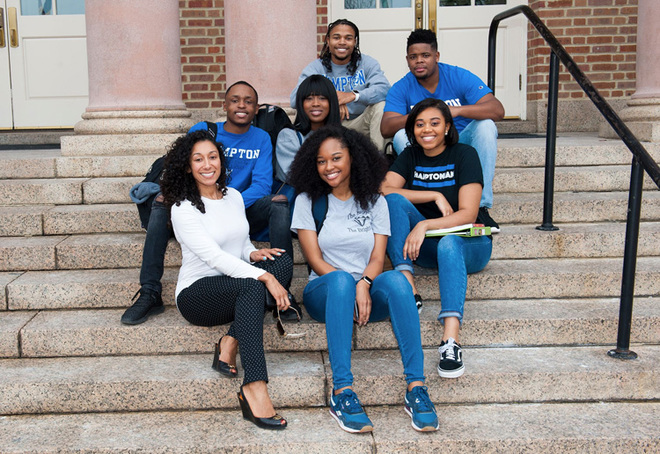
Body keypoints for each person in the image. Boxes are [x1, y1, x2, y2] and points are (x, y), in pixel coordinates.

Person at [289, 125, 438, 434]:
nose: (328, 167)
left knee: (398, 280)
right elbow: (315, 260)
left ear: (353, 159)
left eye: (336, 158)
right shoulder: (308, 201)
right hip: (325, 290)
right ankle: (342, 392)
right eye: (320, 161)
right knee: (342, 281)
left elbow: (377, 258)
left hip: (365, 289)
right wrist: (351, 283)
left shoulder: (374, 201)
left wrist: (365, 283)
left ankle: (416, 389)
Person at [121, 80, 293, 325]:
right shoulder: (206, 130)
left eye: (249, 101)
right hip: (199, 207)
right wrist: (212, 208)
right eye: (235, 100)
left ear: (257, 109)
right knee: (161, 204)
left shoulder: (262, 138)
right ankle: (150, 291)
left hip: (241, 208)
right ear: (224, 105)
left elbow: (262, 185)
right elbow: (182, 167)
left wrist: (227, 206)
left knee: (278, 201)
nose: (241, 106)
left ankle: (283, 292)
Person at [161, 130, 292, 430]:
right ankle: (254, 385)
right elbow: (215, 259)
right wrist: (262, 277)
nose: (207, 165)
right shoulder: (183, 208)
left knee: (281, 261)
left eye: (212, 157)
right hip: (198, 294)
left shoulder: (232, 196)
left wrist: (254, 256)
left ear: (221, 160)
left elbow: (241, 243)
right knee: (254, 285)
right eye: (198, 159)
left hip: (237, 283)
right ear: (187, 166)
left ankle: (230, 339)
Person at [381, 98, 493, 380]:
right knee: (394, 201)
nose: (426, 129)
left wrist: (425, 225)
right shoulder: (410, 156)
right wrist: (434, 195)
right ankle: (407, 285)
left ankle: (450, 341)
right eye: (419, 124)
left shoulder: (465, 154)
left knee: (448, 242)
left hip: (468, 243)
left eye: (434, 123)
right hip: (429, 246)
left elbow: (468, 214)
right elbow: (384, 189)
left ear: (446, 127)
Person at [380, 28, 505, 231]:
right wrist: (423, 116)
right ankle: (423, 200)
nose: (419, 61)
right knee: (402, 135)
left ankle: (480, 206)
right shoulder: (402, 87)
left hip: (460, 145)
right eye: (413, 57)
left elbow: (497, 110)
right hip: (427, 151)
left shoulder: (458, 76)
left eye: (425, 55)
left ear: (436, 56)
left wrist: (456, 111)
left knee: (486, 126)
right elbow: (386, 127)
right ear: (407, 59)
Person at [290, 19, 390, 150]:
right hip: (327, 123)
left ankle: (378, 159)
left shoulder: (367, 63)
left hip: (359, 122)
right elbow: (294, 99)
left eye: (348, 38)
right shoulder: (316, 68)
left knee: (381, 106)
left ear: (355, 41)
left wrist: (352, 96)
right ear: (328, 40)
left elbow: (384, 90)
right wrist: (334, 99)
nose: (342, 42)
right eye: (336, 37)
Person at [274, 74, 342, 203]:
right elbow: (295, 176)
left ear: (331, 102)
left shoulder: (342, 137)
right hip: (301, 200)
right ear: (301, 103)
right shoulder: (289, 135)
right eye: (309, 98)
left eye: (322, 98)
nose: (315, 104)